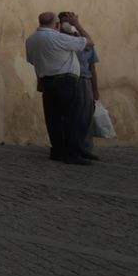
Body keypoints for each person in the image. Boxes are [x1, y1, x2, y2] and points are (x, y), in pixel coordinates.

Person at [24, 11, 94, 165]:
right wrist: (77, 25)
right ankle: (72, 154)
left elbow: (33, 61)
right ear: (56, 24)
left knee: (53, 119)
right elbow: (89, 43)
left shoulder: (30, 40)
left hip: (47, 82)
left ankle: (57, 151)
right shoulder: (58, 37)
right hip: (66, 82)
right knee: (71, 118)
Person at [60, 11, 101, 161]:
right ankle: (69, 149)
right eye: (65, 21)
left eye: (71, 21)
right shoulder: (59, 40)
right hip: (67, 80)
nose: (69, 24)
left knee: (86, 117)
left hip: (84, 80)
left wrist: (95, 88)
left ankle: (85, 148)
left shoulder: (83, 40)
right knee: (69, 117)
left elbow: (92, 66)